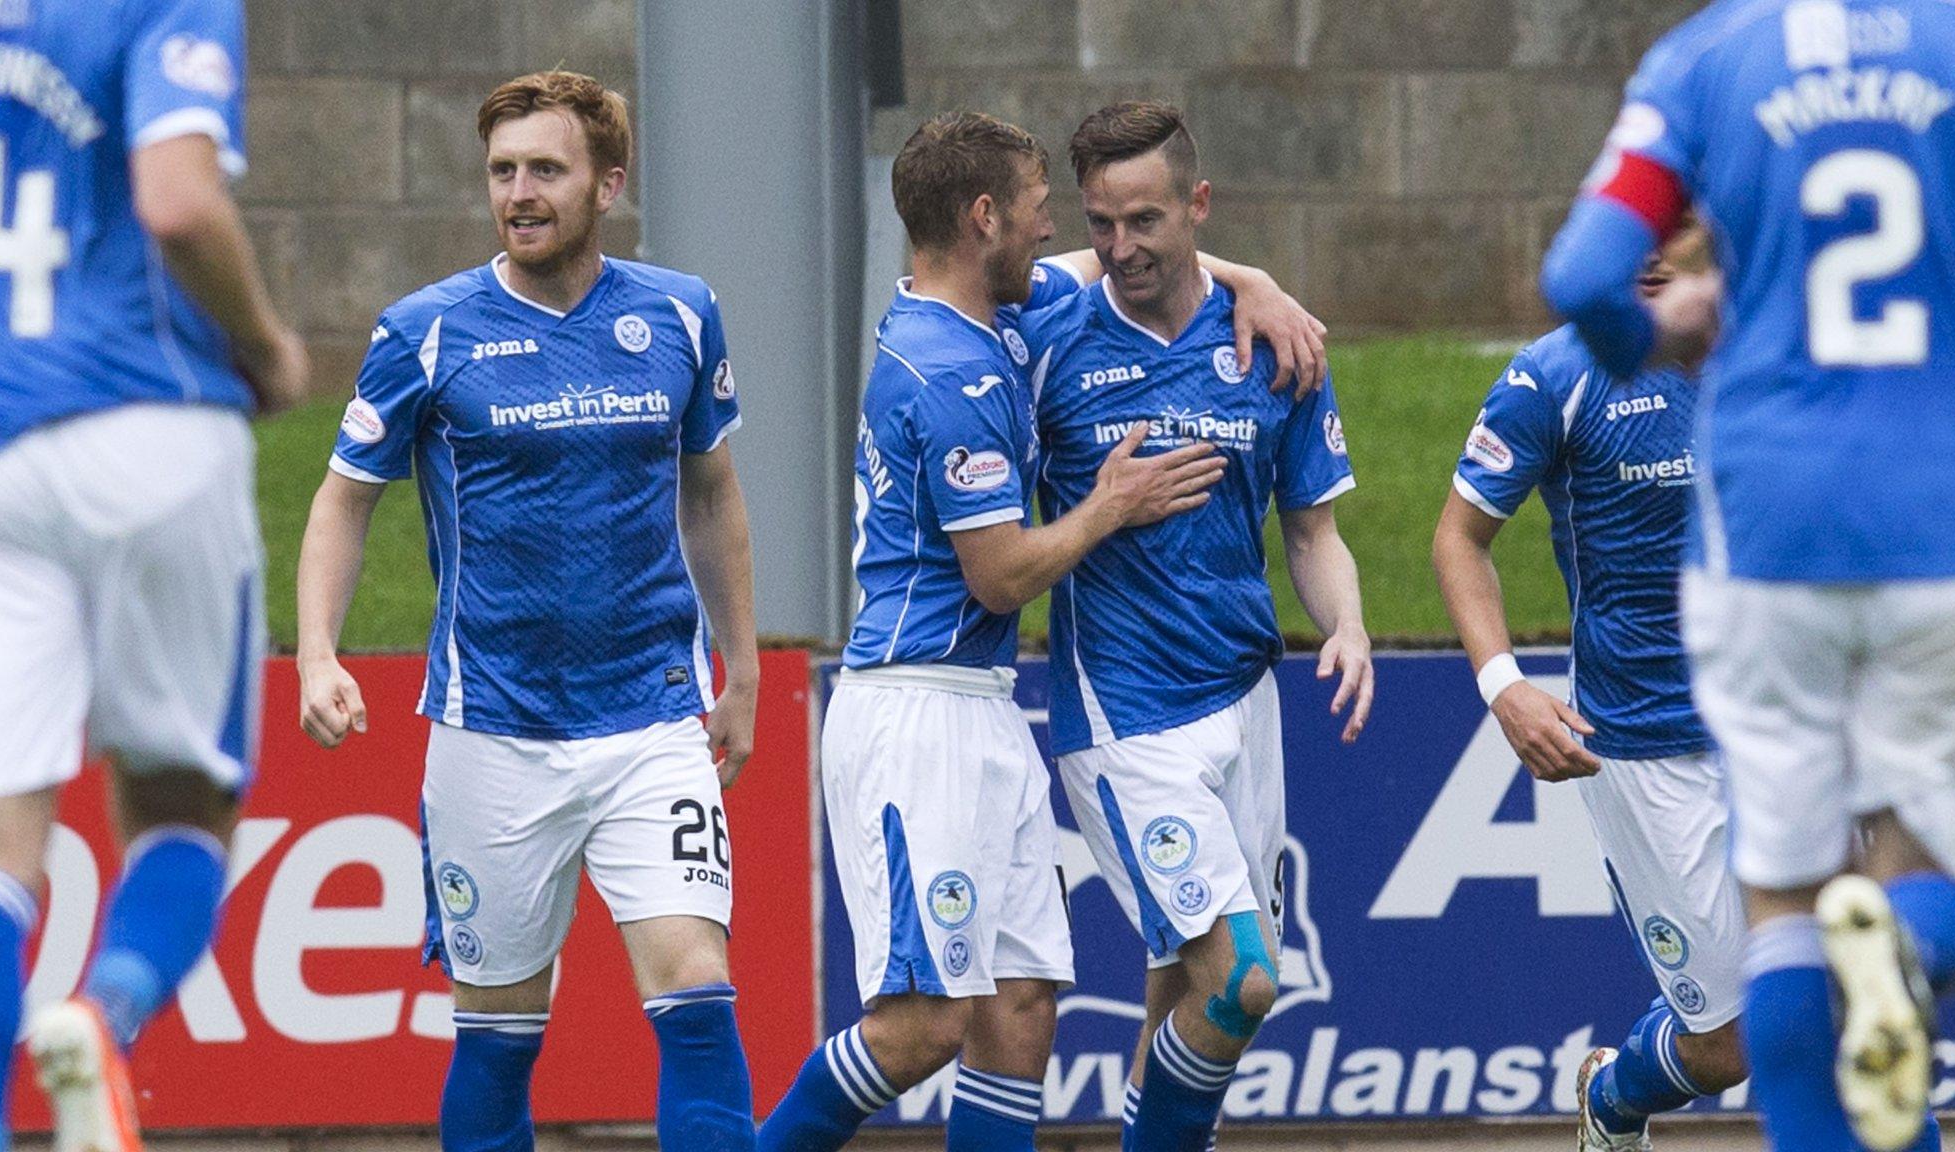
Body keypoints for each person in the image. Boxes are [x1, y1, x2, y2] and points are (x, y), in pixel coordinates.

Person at [756, 110, 1324, 1152]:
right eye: (1035, 214)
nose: (1057, 234)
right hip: (912, 710)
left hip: (982, 711)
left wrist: (1256, 283)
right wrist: (1110, 505)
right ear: (982, 220)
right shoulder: (954, 374)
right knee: (919, 1028)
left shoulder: (976, 318)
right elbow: (998, 575)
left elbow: (1128, 260)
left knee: (1018, 1019)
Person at [1541, 3, 1955, 1148]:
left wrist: (1668, 331)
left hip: (1762, 530)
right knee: (1922, 869)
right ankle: (1901, 945)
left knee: (1783, 907)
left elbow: (1586, 273)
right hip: (1945, 516)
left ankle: (1855, 964)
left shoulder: (1703, 61)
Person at [295, 71, 757, 1152]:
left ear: (608, 181)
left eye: (545, 168)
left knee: (696, 986)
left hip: (650, 720)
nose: (519, 192)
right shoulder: (425, 331)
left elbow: (712, 491)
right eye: (502, 171)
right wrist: (317, 650)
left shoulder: (679, 312)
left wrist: (737, 671)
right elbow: (341, 498)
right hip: (491, 731)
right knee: (500, 1030)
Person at [0, 3, 311, 1151]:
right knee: (180, 804)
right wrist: (265, 346)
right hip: (149, 427)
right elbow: (176, 198)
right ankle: (101, 1020)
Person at [1019, 101, 1373, 1152]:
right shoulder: (1051, 338)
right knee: (1244, 980)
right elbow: (945, 302)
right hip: (1122, 715)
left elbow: (1311, 531)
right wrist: (1245, 270)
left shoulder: (1274, 344)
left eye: (1144, 221)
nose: (1120, 248)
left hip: (1241, 698)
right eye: (1098, 224)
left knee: (1182, 979)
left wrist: (1346, 626)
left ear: (1196, 206)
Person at [1434, 222, 1755, 1151]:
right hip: (1646, 741)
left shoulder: (1766, 349)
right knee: (1729, 1045)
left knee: (1859, 986)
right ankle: (1614, 1097)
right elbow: (1460, 541)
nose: (1650, 252)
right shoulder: (1552, 378)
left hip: (1782, 718)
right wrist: (1504, 687)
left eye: (1673, 229)